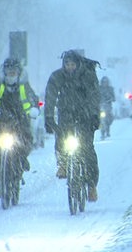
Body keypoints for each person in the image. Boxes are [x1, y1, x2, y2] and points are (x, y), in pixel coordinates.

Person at [0, 57, 40, 198]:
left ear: (18, 74)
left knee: (24, 143)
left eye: (14, 73)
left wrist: (34, 109)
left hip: (20, 122)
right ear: (4, 73)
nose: (11, 76)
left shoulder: (24, 87)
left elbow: (32, 98)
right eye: (8, 73)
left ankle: (21, 163)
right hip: (2, 122)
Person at [44, 49, 101, 202]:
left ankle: (91, 186)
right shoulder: (57, 76)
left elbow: (95, 96)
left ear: (78, 64)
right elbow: (50, 96)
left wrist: (94, 115)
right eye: (67, 64)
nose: (69, 67)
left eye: (72, 64)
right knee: (61, 139)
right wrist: (48, 117)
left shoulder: (88, 75)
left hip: (86, 116)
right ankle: (62, 163)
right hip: (66, 114)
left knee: (87, 149)